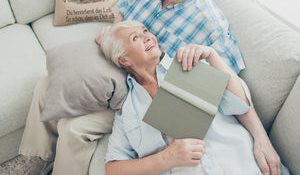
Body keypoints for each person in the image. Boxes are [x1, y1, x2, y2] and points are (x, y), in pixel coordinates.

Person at [19, 0, 280, 174]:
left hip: (142, 86)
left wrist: (261, 138)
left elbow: (229, 86)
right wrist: (113, 33)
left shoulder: (211, 26)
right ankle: (37, 159)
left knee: (74, 128)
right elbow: (122, 14)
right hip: (120, 60)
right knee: (48, 83)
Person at [100, 20, 287, 175]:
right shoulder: (127, 111)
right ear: (124, 60)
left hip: (244, 165)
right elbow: (113, 168)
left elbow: (240, 104)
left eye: (145, 31)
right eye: (135, 38)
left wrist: (212, 55)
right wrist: (166, 158)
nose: (148, 36)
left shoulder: (189, 63)